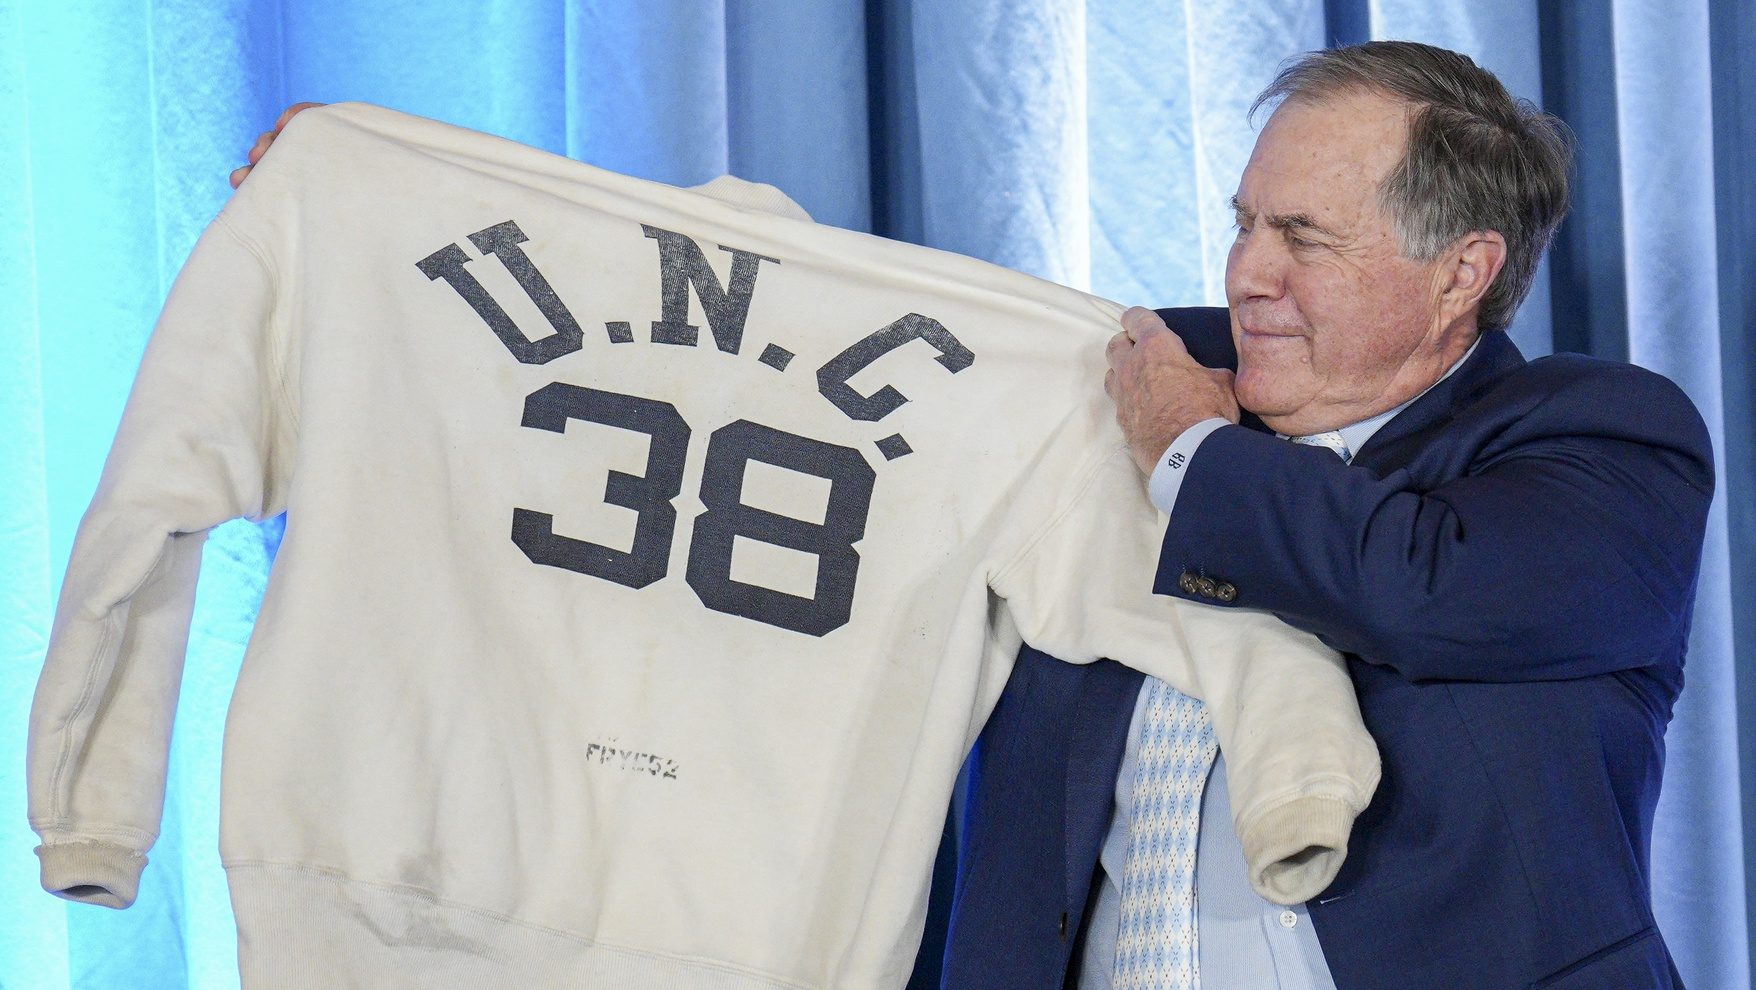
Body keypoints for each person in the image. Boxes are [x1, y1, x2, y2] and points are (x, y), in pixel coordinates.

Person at [942, 41, 1713, 990]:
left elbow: (1422, 584)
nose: (1246, 275)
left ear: (1461, 272)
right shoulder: (1118, 402)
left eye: (1303, 238)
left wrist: (1192, 454)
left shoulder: (1604, 438)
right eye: (1245, 225)